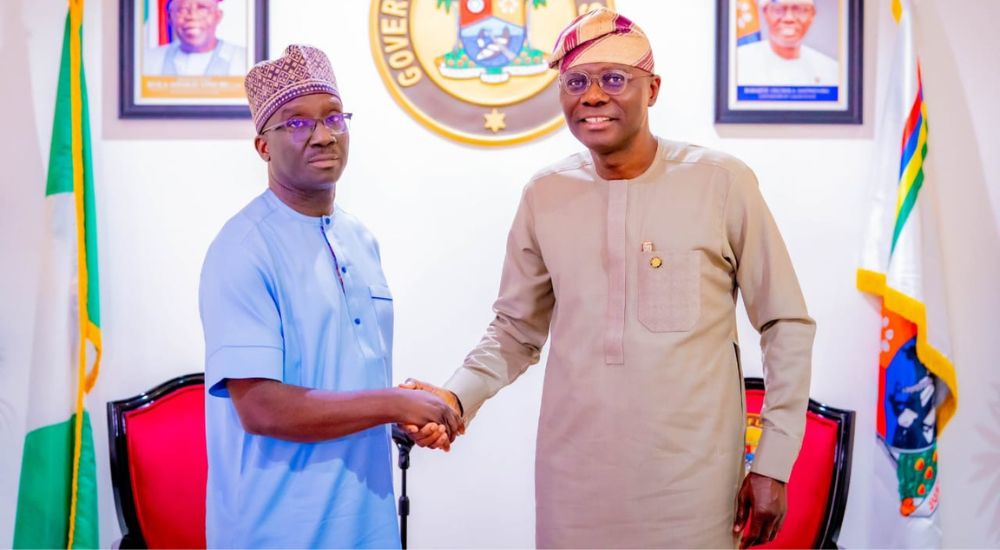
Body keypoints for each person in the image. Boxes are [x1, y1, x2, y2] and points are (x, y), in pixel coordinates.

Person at [402, 8, 816, 549]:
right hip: (574, 481)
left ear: (653, 89)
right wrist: (455, 400)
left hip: (693, 485)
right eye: (576, 81)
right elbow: (514, 333)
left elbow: (786, 323)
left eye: (614, 79)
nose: (592, 96)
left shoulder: (722, 183)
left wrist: (775, 462)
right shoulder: (546, 194)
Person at [198, 44, 462, 548]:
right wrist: (392, 401)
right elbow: (262, 408)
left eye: (334, 117)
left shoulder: (359, 239)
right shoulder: (242, 249)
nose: (323, 135)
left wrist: (403, 416)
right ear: (263, 146)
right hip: (278, 528)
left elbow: (348, 379)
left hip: (366, 523)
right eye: (296, 123)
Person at [737, 0, 839, 86]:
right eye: (778, 10)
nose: (789, 18)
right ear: (765, 13)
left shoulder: (832, 71)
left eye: (799, 10)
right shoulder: (737, 64)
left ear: (812, 14)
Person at [144, 0, 246, 76]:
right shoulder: (148, 61)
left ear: (218, 16)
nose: (192, 16)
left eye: (202, 8)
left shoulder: (245, 61)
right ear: (170, 18)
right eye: (182, 9)